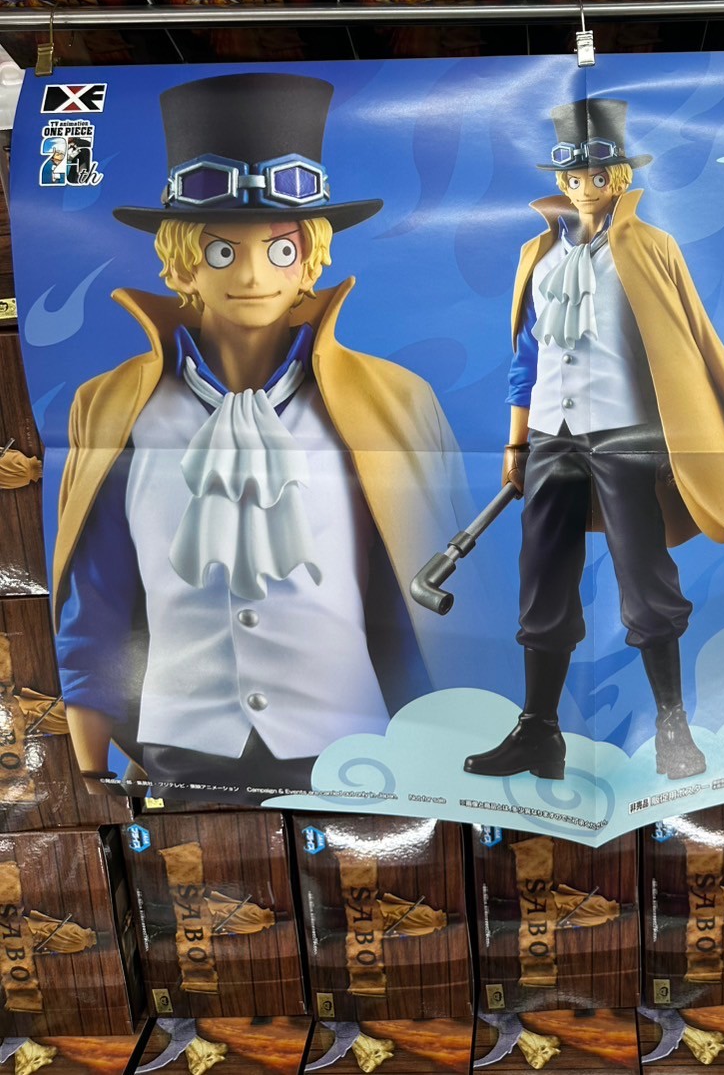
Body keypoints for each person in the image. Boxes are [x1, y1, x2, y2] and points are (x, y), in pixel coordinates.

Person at [52, 72, 463, 794]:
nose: (250, 274)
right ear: (182, 262)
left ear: (310, 259)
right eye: (221, 251)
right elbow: (98, 602)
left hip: (353, 746)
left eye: (278, 250)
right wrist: (89, 774)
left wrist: (443, 748)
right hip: (181, 751)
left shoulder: (392, 400)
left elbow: (429, 600)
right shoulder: (117, 405)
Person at [462, 98, 724, 783]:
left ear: (619, 175)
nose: (586, 183)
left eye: (599, 171)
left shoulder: (650, 247)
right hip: (551, 436)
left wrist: (682, 431)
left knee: (645, 576)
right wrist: (517, 444)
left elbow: (684, 343)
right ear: (562, 178)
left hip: (628, 432)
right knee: (543, 576)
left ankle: (672, 724)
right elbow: (526, 357)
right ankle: (539, 729)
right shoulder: (536, 255)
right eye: (575, 173)